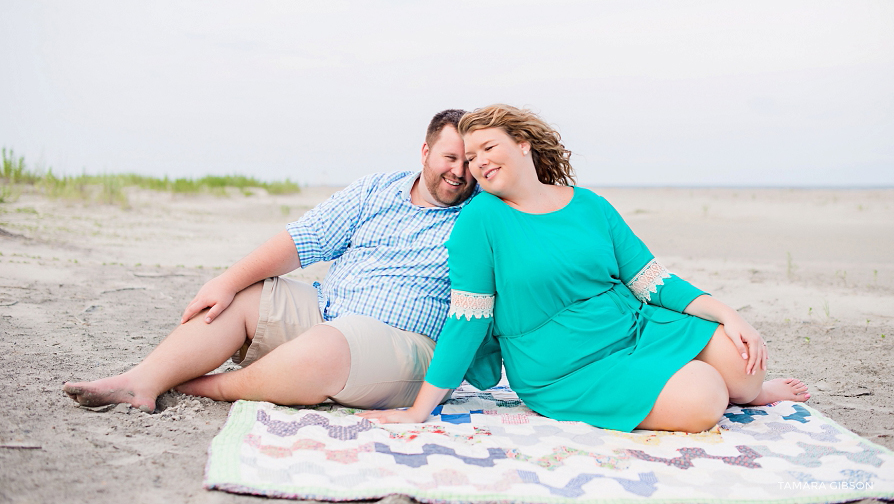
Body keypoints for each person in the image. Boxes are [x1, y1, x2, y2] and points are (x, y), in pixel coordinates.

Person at [360, 104, 809, 433]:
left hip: (632, 328)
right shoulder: (480, 220)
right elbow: (467, 319)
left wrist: (729, 313)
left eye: (487, 147)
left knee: (745, 364)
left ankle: (746, 391)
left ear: (523, 144)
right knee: (707, 396)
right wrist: (421, 409)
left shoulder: (590, 204)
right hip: (561, 365)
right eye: (471, 156)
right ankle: (718, 391)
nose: (477, 162)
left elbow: (652, 281)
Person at [64, 109, 478, 413]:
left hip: (407, 346)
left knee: (325, 349)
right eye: (450, 157)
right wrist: (226, 281)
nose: (460, 172)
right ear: (425, 151)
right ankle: (141, 382)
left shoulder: (481, 213)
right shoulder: (377, 188)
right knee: (245, 295)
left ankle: (208, 386)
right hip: (330, 312)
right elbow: (307, 237)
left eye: (469, 162)